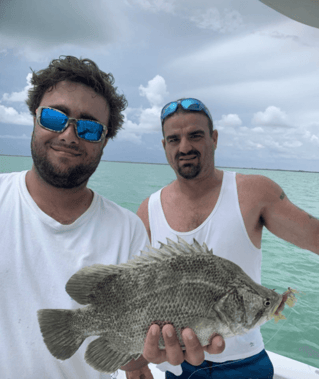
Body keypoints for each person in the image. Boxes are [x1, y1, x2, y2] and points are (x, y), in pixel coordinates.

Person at [0, 58, 223, 378]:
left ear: (104, 140)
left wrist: (156, 348)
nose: (69, 134)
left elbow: (127, 359)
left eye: (90, 127)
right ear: (34, 118)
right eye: (53, 117)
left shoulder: (127, 229)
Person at [136, 98, 319, 379]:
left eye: (195, 135)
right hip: (177, 365)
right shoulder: (148, 211)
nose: (184, 147)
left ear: (214, 138)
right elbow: (137, 298)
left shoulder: (254, 193)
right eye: (174, 139)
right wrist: (136, 366)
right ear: (164, 146)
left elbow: (314, 237)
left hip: (245, 365)